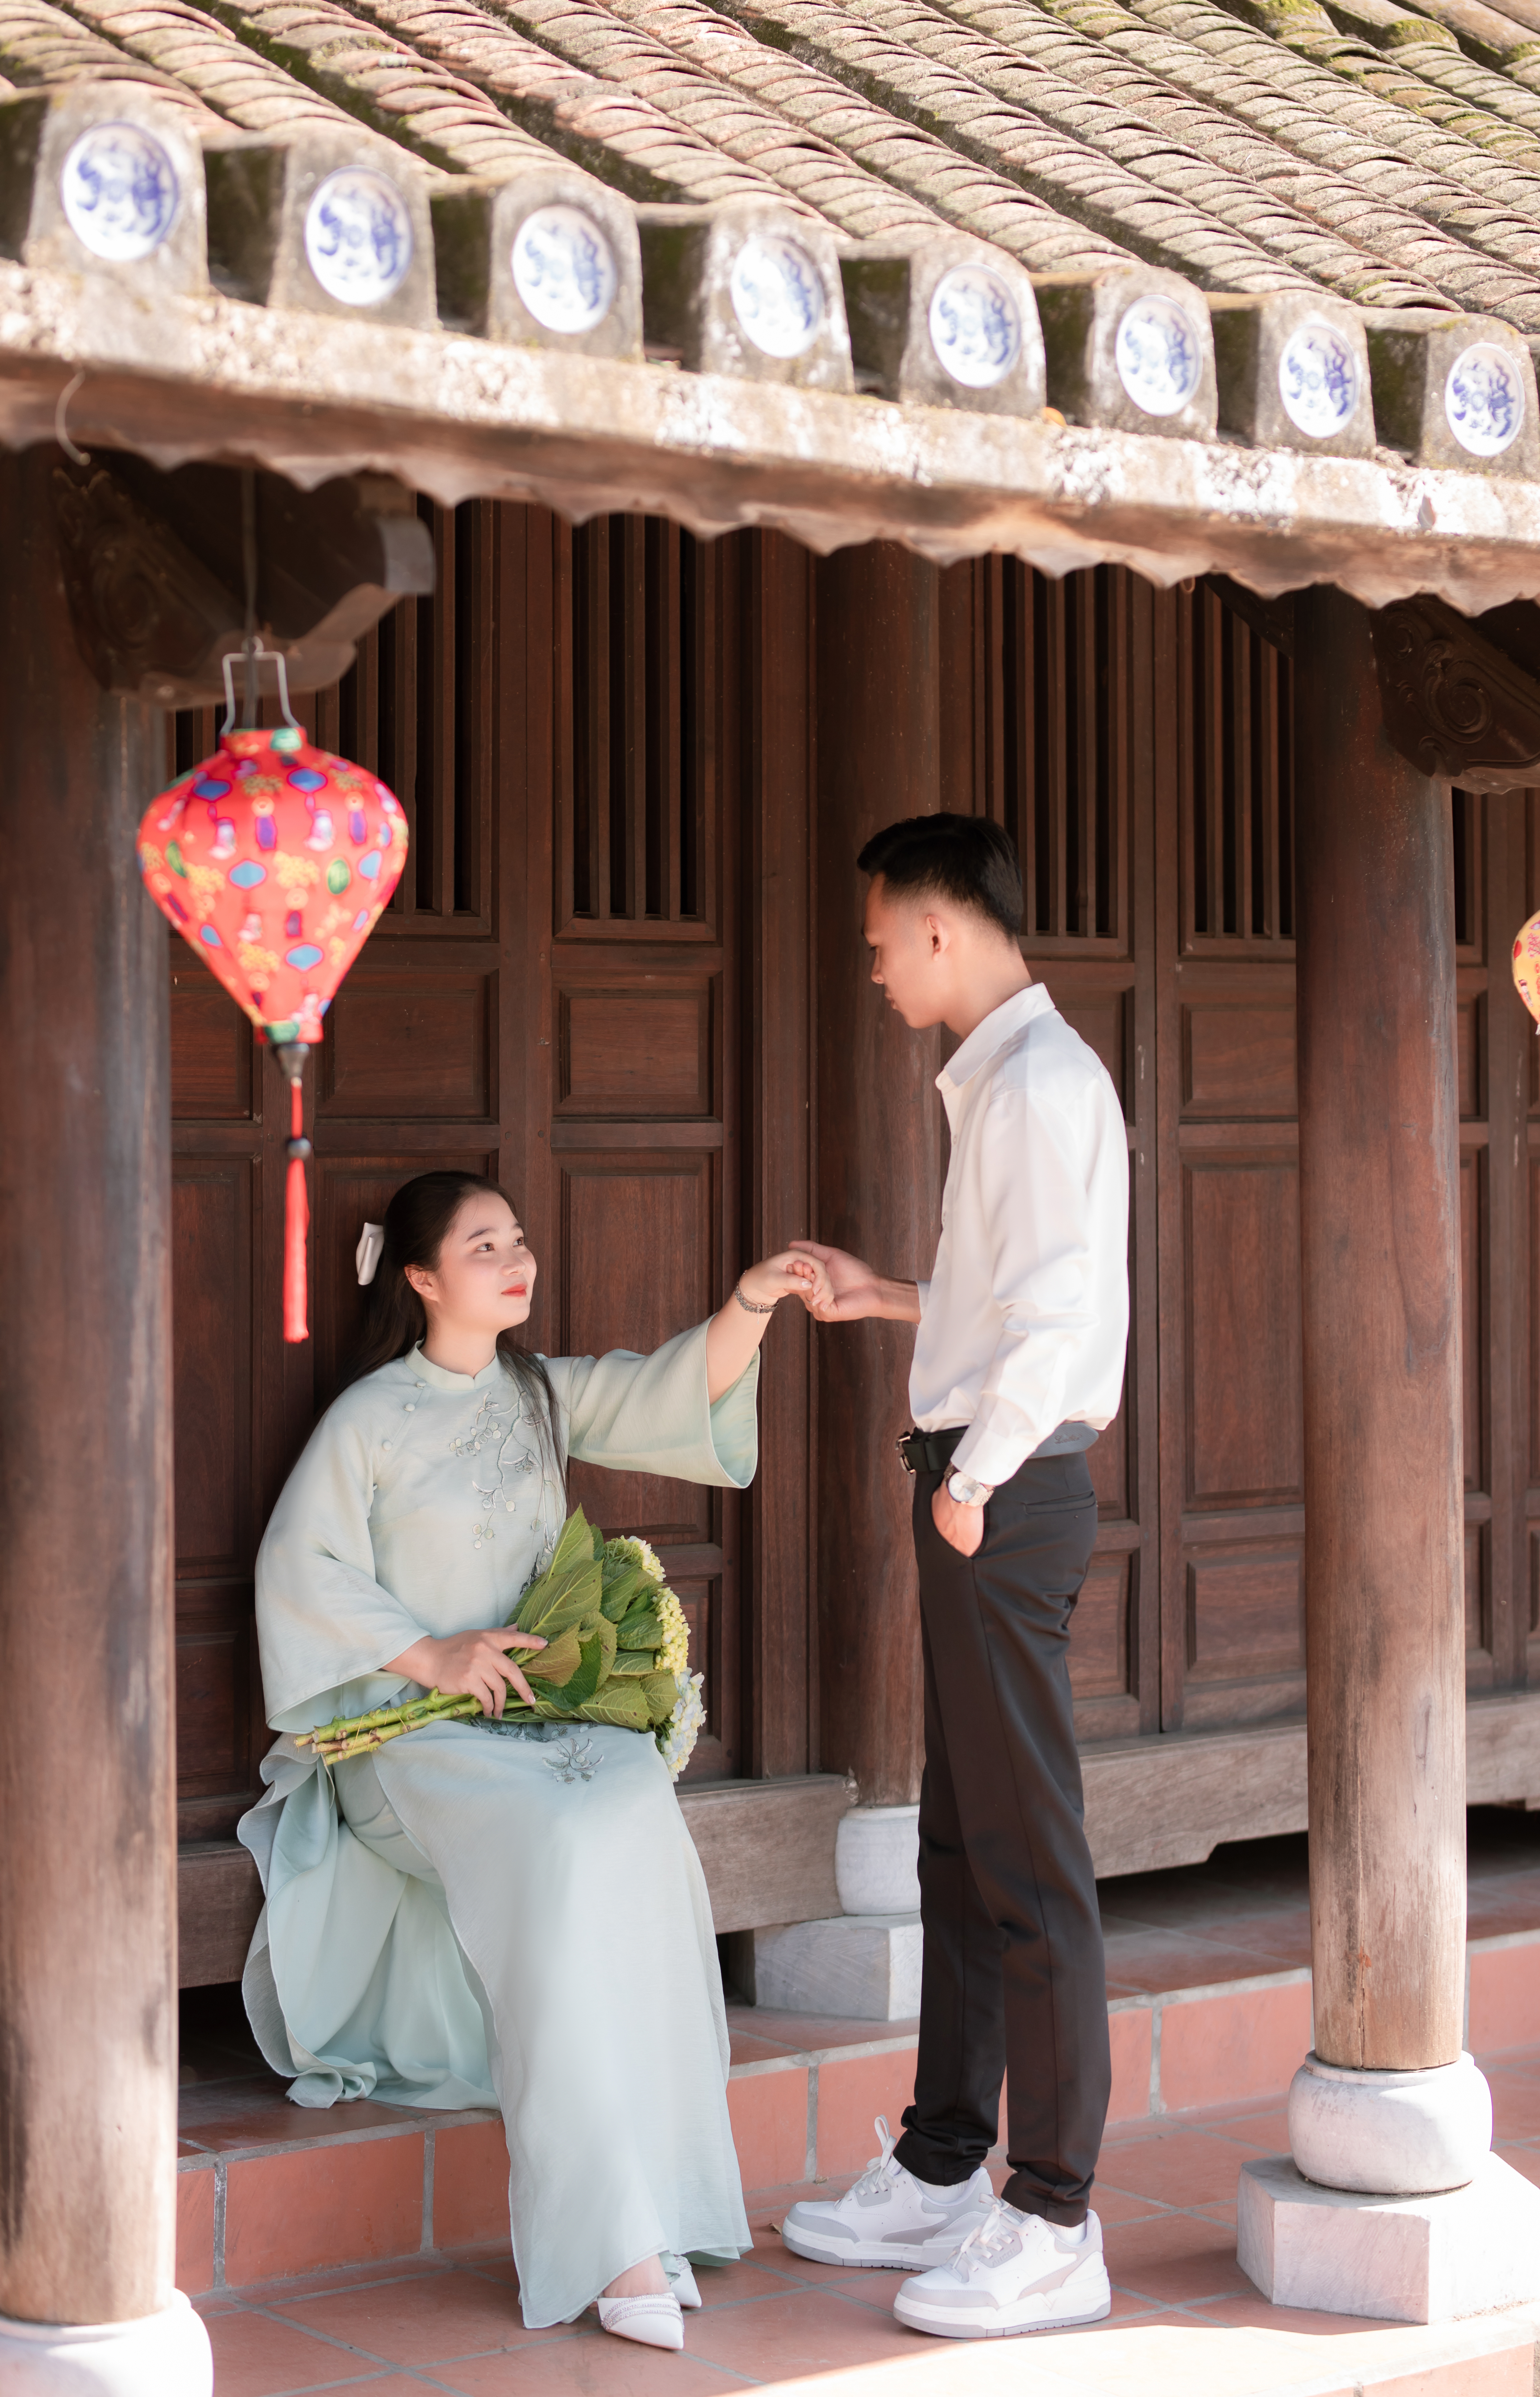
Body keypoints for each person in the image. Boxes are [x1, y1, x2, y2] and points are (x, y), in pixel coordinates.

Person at [238, 1169, 828, 2349]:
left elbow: (670, 1389)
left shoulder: (537, 1392)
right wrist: (431, 1652)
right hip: (410, 1745)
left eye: (517, 1238)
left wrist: (755, 1300)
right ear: (420, 1279)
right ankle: (606, 2240)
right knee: (561, 1840)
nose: (517, 1259)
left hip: (534, 1729)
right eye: (483, 1245)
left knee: (638, 1809)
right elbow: (295, 1572)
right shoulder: (368, 1419)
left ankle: (671, 2206)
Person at [780, 814, 1129, 2340]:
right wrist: (883, 1303)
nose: (868, 970)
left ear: (937, 929)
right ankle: (939, 2163)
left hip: (1005, 1493)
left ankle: (1053, 2212)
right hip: (980, 1483)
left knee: (1024, 1856)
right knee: (956, 1845)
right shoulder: (1003, 1080)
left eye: (874, 942)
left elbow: (1058, 1321)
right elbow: (999, 1303)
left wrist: (976, 1483)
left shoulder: (1040, 1085)